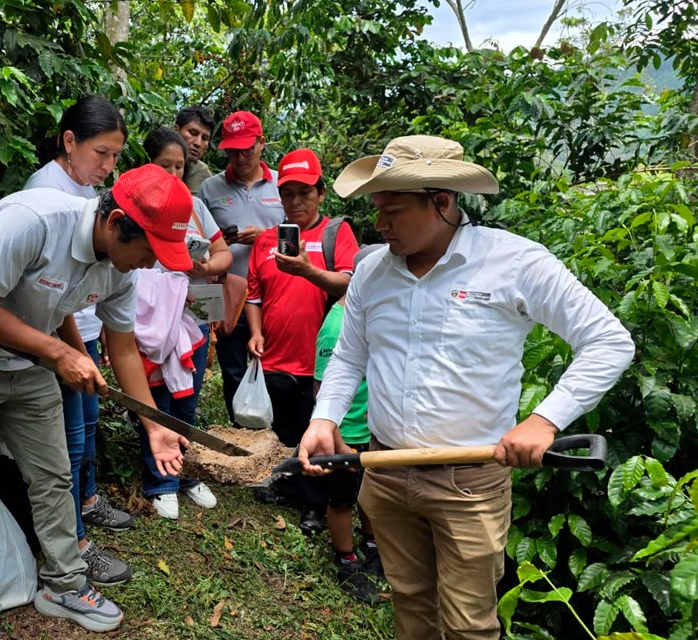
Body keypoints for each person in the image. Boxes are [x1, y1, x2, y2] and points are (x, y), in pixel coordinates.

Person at [298, 135, 635, 639]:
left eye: (393, 210)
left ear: (442, 201)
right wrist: (324, 418)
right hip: (385, 471)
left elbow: (608, 340)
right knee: (410, 604)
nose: (381, 224)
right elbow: (350, 356)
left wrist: (544, 421)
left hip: (469, 483)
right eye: (377, 209)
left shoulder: (514, 262)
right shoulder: (372, 271)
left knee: (469, 624)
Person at [0, 164, 196, 639]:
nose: (151, 263)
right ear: (116, 221)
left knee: (54, 474)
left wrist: (156, 426)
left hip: (27, 361)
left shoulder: (121, 269)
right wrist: (61, 352)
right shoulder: (33, 220)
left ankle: (63, 583)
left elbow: (120, 346)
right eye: (149, 249)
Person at [21, 95, 134, 588]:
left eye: (115, 157)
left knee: (85, 428)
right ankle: (73, 544)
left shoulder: (91, 193)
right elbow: (41, 299)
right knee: (62, 443)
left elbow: (73, 297)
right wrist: (68, 350)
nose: (108, 168)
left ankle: (84, 504)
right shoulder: (44, 195)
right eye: (101, 154)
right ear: (69, 141)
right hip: (46, 338)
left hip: (76, 328)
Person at [245, 148, 358, 533]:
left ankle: (316, 504)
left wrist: (307, 270)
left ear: (320, 194)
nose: (295, 201)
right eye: (288, 193)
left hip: (322, 360)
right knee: (288, 430)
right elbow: (254, 295)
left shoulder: (335, 233)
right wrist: (256, 331)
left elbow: (349, 282)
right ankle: (294, 486)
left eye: (304, 193)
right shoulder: (266, 242)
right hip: (276, 354)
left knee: (320, 432)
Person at [130, 128, 234, 518]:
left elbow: (223, 255)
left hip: (197, 308)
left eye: (180, 166)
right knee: (157, 396)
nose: (174, 174)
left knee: (188, 395)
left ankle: (185, 473)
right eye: (164, 166)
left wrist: (204, 265)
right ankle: (161, 480)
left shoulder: (193, 205)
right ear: (147, 164)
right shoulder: (141, 205)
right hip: (157, 315)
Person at [197, 110, 284, 426]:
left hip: (275, 294)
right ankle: (241, 430)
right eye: (233, 149)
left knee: (274, 366)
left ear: (262, 143)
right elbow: (200, 240)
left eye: (247, 148)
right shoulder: (210, 188)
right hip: (229, 293)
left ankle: (278, 432)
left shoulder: (282, 184)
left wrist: (266, 237)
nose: (240, 156)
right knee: (232, 367)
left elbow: (299, 237)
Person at [313, 243, 384, 603]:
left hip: (374, 433)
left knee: (372, 495)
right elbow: (321, 389)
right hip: (347, 435)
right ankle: (346, 557)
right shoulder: (337, 326)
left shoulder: (376, 317)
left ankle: (373, 544)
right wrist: (339, 442)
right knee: (343, 499)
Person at [174, 106, 214, 194]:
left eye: (204, 138)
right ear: (176, 130)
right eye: (193, 133)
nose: (198, 143)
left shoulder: (204, 176)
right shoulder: (151, 159)